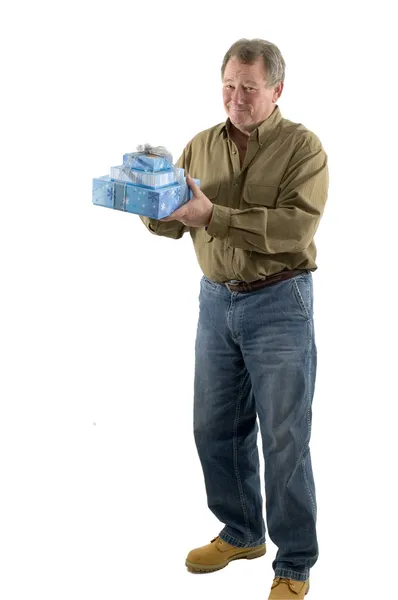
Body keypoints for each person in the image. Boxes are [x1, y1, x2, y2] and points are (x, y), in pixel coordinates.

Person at [140, 38, 329, 599]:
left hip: (280, 303)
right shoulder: (199, 145)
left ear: (276, 90)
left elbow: (295, 228)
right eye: (229, 84)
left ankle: (293, 562)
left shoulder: (303, 148)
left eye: (249, 87)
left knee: (285, 436)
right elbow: (176, 222)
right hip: (215, 301)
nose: (236, 97)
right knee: (214, 428)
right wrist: (150, 199)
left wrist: (212, 213)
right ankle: (243, 531)